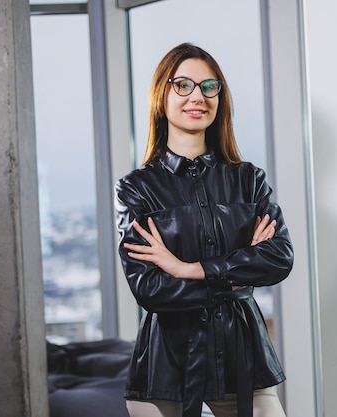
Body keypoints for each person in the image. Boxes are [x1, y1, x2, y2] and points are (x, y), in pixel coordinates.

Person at [114, 42, 293, 417]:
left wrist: (189, 269)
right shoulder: (136, 188)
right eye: (183, 85)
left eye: (209, 87)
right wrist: (238, 276)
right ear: (162, 95)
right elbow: (150, 289)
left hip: (243, 357)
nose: (198, 96)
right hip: (167, 366)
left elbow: (279, 259)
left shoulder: (249, 180)